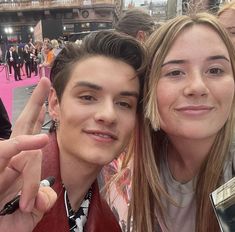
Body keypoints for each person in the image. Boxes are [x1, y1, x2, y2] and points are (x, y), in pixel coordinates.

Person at [0, 30, 147, 232]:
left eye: (124, 103)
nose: (108, 115)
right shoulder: (8, 187)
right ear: (54, 103)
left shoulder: (108, 223)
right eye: (87, 97)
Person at [129, 12, 235, 232]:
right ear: (147, 90)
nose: (197, 87)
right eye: (175, 72)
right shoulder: (135, 170)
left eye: (215, 70)